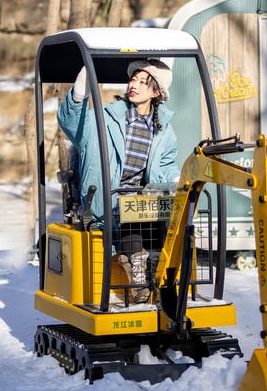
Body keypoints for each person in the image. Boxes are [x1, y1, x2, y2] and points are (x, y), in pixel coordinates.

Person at [57, 58, 179, 302]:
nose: (134, 84)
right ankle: (137, 272)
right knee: (129, 212)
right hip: (107, 198)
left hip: (141, 198)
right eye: (133, 79)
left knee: (167, 218)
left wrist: (174, 181)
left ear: (157, 92)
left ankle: (156, 273)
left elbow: (165, 168)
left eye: (143, 82)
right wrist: (79, 95)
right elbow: (72, 123)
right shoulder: (103, 119)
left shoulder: (163, 130)